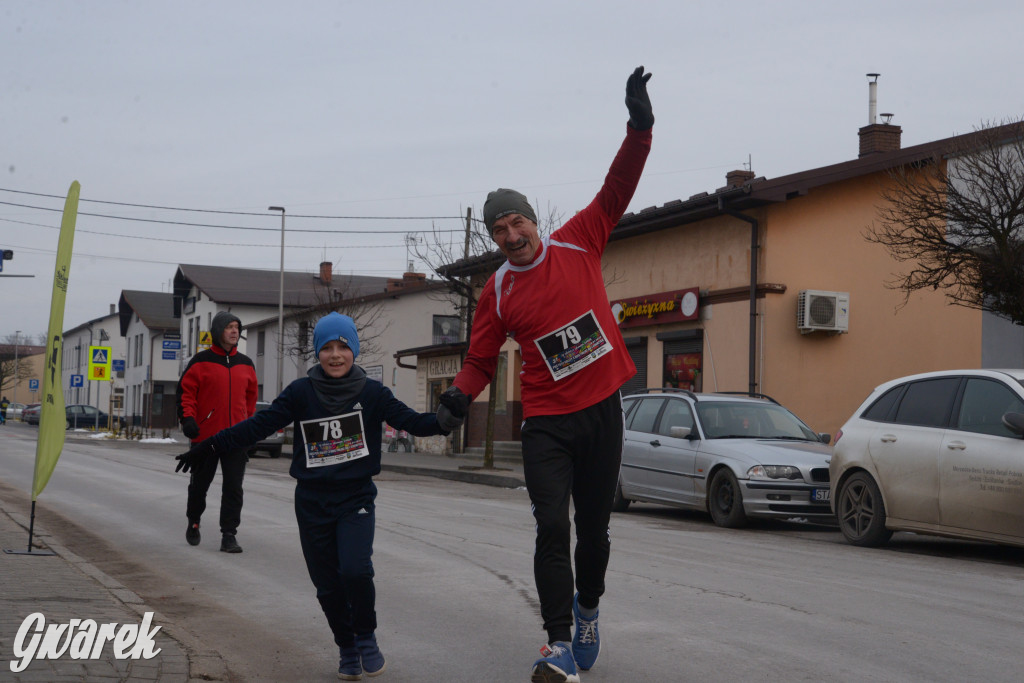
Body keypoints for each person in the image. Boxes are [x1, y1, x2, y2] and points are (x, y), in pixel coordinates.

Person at [434, 66, 654, 683]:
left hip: (602, 410)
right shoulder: (498, 291)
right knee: (551, 526)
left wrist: (640, 125)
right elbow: (479, 359)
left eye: (517, 223)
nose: (511, 235)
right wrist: (456, 399)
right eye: (499, 229)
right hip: (547, 422)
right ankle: (558, 644)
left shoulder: (580, 241)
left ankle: (588, 610)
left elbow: (619, 185)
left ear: (534, 220)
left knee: (594, 530)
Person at [174, 312, 455, 680]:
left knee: (355, 569)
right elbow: (256, 426)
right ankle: (347, 646)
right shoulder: (301, 393)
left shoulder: (372, 394)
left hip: (355, 498)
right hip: (311, 503)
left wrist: (448, 416)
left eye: (342, 347)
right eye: (327, 348)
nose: (335, 355)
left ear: (353, 350)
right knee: (327, 585)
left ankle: (366, 636)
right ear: (317, 354)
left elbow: (415, 423)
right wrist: (206, 447)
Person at [175, 311, 258, 553]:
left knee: (233, 488)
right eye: (229, 327)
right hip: (205, 437)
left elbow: (251, 400)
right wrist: (188, 419)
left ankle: (229, 534)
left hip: (236, 439)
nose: (234, 331)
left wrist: (250, 428)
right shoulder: (200, 362)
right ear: (218, 331)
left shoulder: (246, 364)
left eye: (237, 327)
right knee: (199, 486)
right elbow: (185, 394)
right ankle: (194, 520)